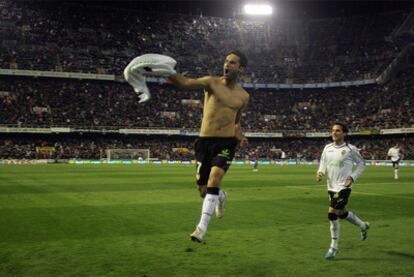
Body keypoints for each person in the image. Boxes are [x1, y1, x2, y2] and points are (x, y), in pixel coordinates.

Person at [168, 50, 250, 242]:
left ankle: (200, 229)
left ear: (241, 68)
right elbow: (185, 83)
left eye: (232, 62)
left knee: (215, 178)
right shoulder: (211, 82)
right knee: (204, 191)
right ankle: (221, 196)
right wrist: (167, 71)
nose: (227, 65)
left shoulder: (244, 97)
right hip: (204, 142)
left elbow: (236, 122)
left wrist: (241, 136)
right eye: (226, 61)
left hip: (226, 142)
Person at [316, 122, 370, 260]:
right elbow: (323, 162)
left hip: (344, 187)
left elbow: (362, 164)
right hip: (331, 186)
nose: (334, 133)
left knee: (331, 214)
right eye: (333, 130)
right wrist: (320, 172)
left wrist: (352, 177)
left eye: (338, 130)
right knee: (341, 213)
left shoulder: (351, 149)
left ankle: (333, 247)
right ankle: (363, 225)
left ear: (344, 133)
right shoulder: (327, 148)